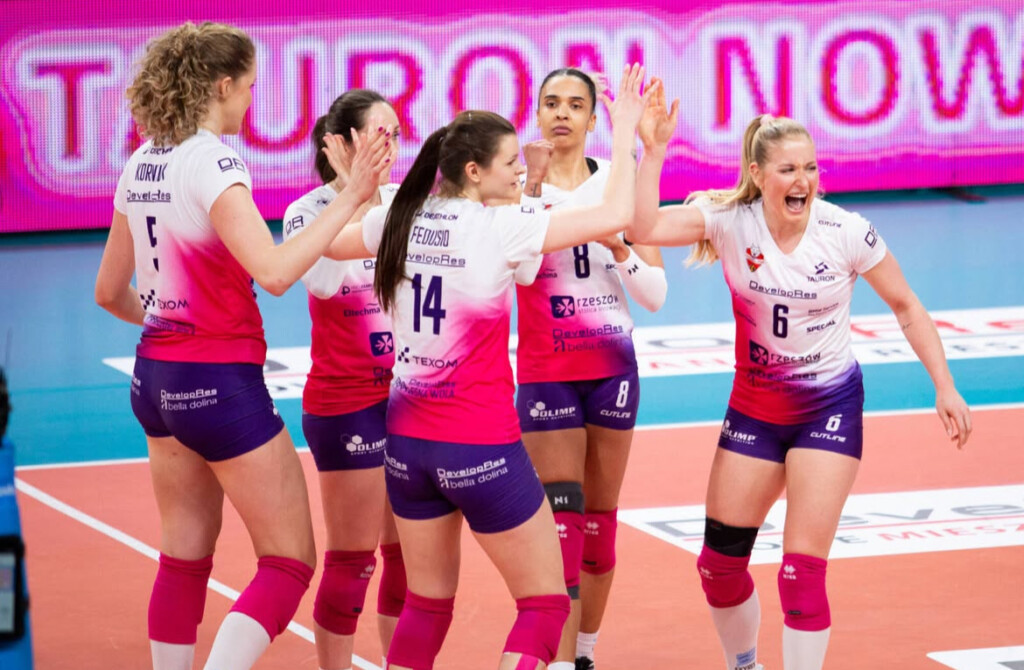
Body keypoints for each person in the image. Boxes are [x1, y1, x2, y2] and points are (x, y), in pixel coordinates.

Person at [324, 63, 654, 670]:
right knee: (545, 603)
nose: (521, 172)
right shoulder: (504, 225)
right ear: (474, 171)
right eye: (510, 164)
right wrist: (628, 128)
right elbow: (614, 214)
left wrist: (351, 190)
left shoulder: (398, 217)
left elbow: (326, 242)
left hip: (406, 445)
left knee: (427, 604)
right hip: (478, 440)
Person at [629, 99, 973, 670]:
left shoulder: (846, 231)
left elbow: (907, 305)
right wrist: (654, 151)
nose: (803, 181)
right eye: (788, 169)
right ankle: (744, 664)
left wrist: (945, 385)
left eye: (811, 168)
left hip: (827, 408)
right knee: (718, 566)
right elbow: (642, 228)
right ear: (758, 173)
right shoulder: (729, 220)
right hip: (755, 409)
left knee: (800, 574)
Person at [93, 22, 390, 670]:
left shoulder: (141, 162)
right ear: (223, 85)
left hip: (155, 377)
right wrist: (354, 196)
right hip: (219, 381)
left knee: (184, 555)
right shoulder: (214, 161)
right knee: (288, 561)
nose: (252, 102)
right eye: (250, 87)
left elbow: (108, 291)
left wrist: (170, 321)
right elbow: (276, 273)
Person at [513, 68, 668, 670]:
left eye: (575, 104)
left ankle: (583, 654)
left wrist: (621, 247)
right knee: (563, 525)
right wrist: (530, 186)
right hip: (547, 370)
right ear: (537, 113)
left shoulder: (616, 185)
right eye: (551, 102)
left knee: (600, 531)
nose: (561, 113)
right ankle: (556, 662)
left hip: (611, 371)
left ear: (593, 117)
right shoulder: (517, 184)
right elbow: (523, 271)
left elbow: (654, 295)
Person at [282, 89, 406, 670]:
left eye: (397, 134)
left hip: (411, 398)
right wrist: (353, 195)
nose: (393, 145)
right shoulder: (306, 212)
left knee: (407, 558)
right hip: (346, 401)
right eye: (381, 133)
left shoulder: (406, 204)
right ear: (345, 142)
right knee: (353, 562)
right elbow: (324, 283)